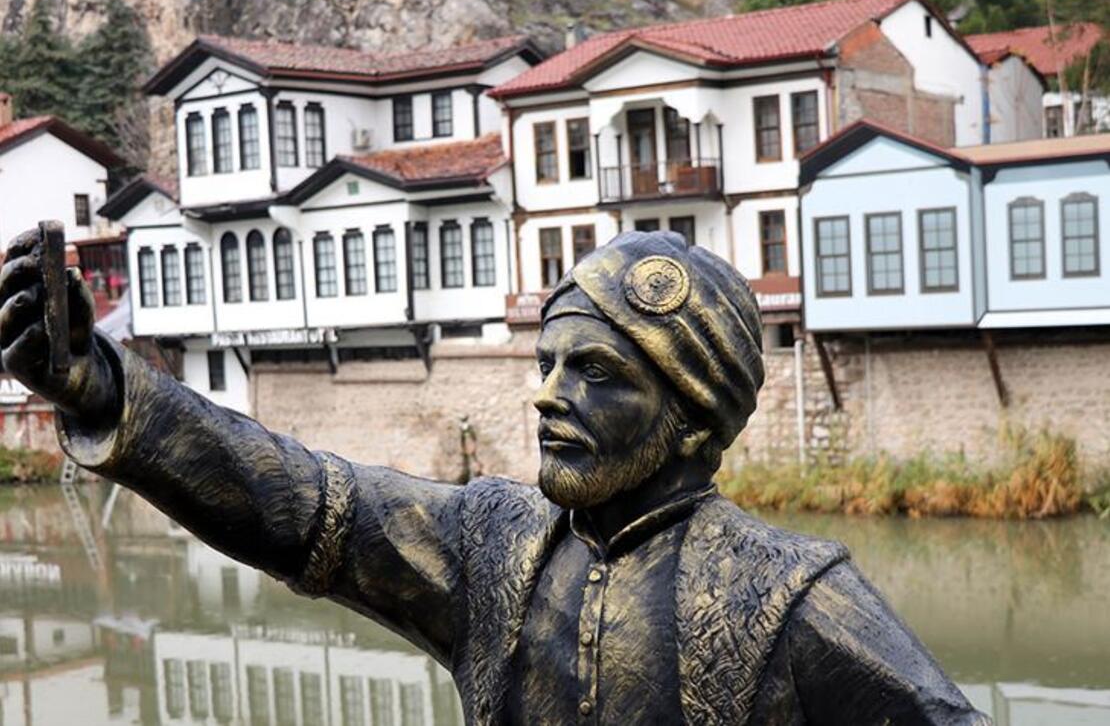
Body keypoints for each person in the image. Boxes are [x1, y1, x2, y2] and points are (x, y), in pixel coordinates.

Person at [0, 228, 987, 725]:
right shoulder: (491, 544)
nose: (549, 396)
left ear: (692, 415)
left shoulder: (789, 595)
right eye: (547, 365)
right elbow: (301, 502)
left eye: (596, 373)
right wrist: (107, 388)